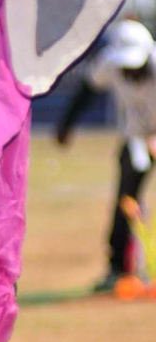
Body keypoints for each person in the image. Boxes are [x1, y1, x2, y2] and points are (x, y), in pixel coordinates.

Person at [56, 17, 156, 291]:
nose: (129, 72)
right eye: (125, 66)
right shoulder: (108, 65)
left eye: (135, 66)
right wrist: (66, 125)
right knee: (126, 199)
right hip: (135, 139)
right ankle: (119, 269)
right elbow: (85, 92)